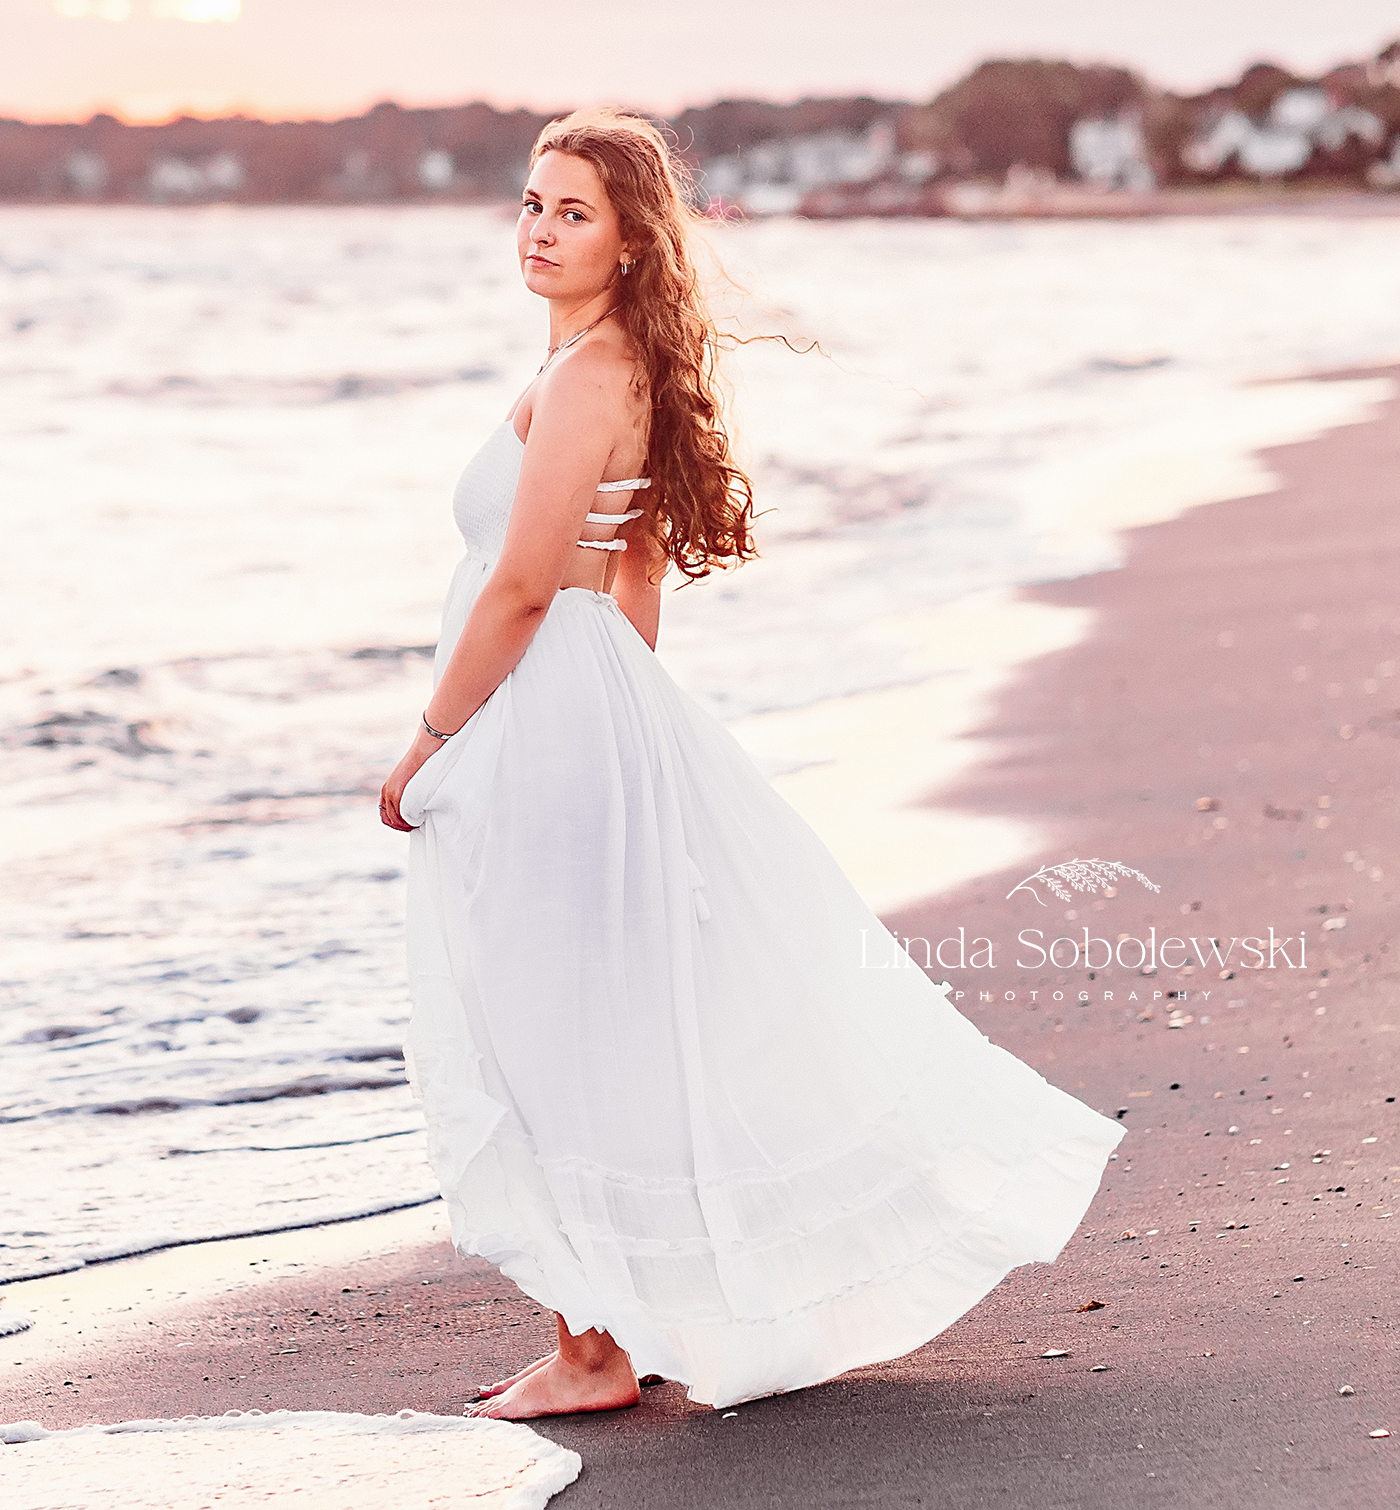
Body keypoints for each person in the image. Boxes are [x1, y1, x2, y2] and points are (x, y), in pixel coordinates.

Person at [377, 108, 1123, 1419]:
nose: (541, 231)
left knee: (544, 1032)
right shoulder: (614, 368)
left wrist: (428, 744)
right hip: (580, 715)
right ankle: (619, 1325)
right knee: (588, 1024)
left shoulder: (592, 377)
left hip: (534, 720)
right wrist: (631, 738)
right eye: (533, 204)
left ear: (628, 242)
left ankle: (595, 1352)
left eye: (574, 213)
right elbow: (633, 581)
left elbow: (522, 587)